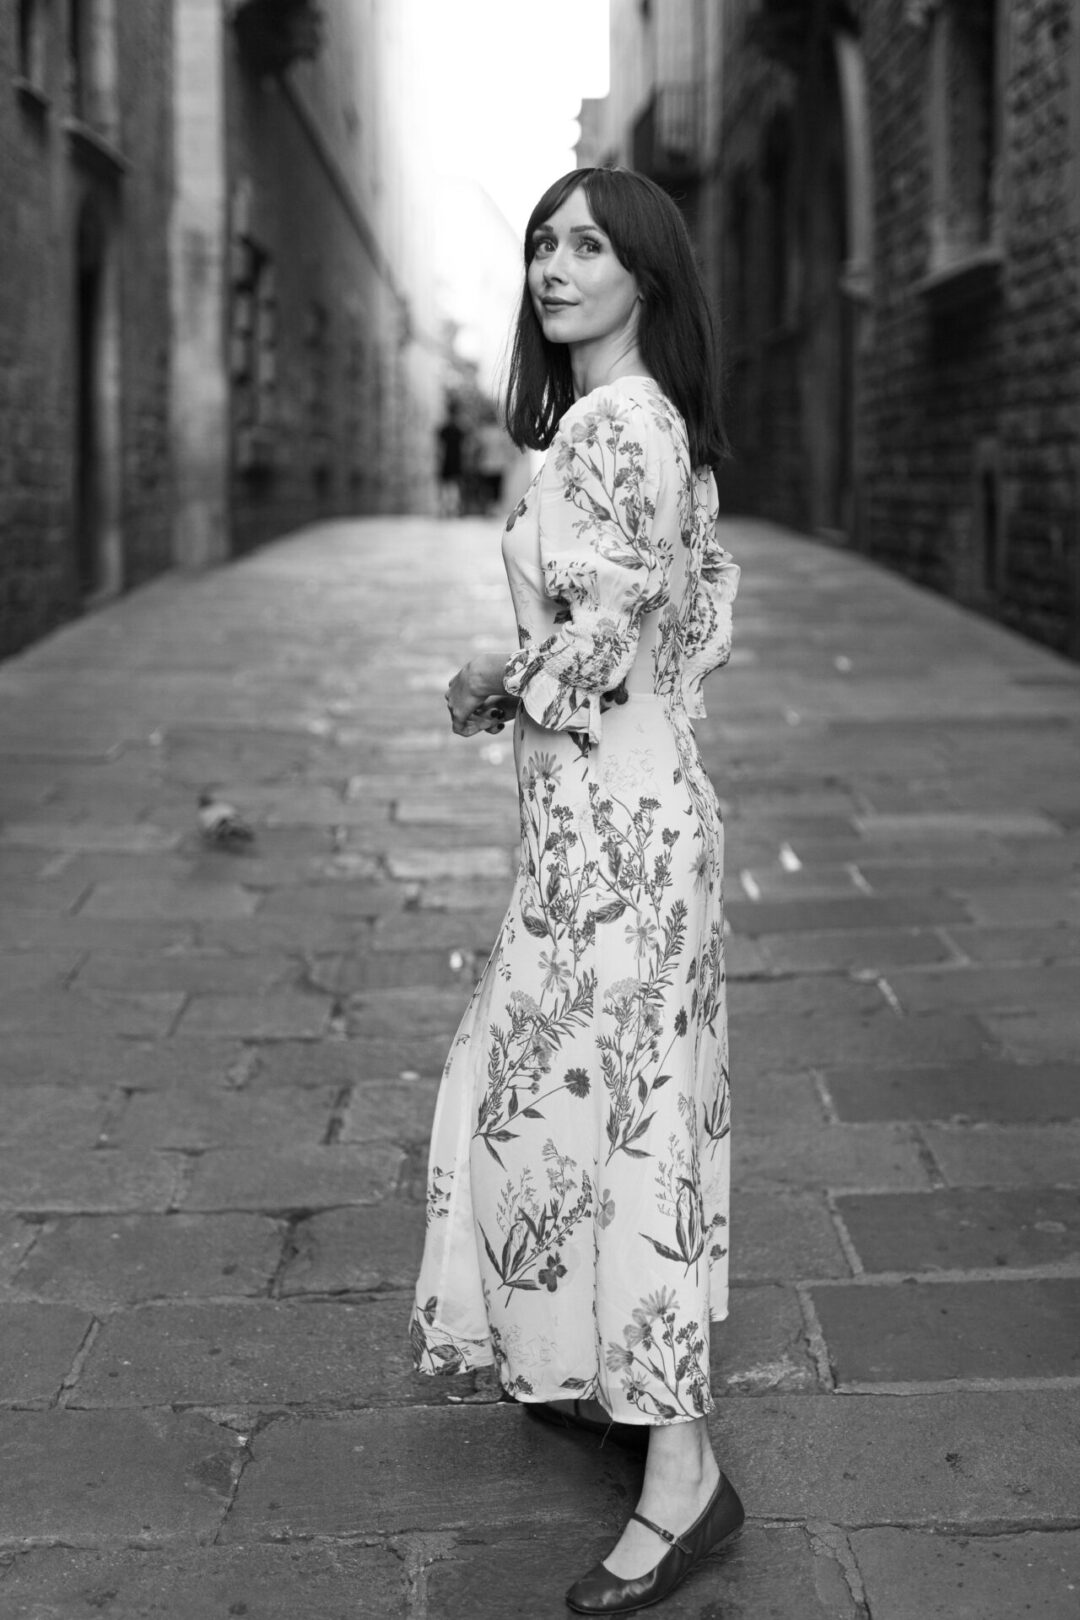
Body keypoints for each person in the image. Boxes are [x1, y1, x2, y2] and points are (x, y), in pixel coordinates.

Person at [410, 166, 742, 1615]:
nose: (554, 264)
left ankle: (684, 1473)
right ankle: (614, 1379)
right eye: (544, 242)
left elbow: (605, 635)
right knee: (586, 1109)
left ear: (647, 276)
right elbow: (682, 618)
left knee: (608, 1126)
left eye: (588, 244)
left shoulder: (618, 426)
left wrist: (497, 677)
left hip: (616, 837)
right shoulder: (644, 431)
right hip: (619, 822)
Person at [436, 399, 466, 517]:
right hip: (456, 461)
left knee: (447, 485)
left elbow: (439, 448)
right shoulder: (459, 429)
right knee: (454, 485)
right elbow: (465, 447)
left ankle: (446, 509)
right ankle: (452, 509)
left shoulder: (444, 429)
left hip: (447, 460)